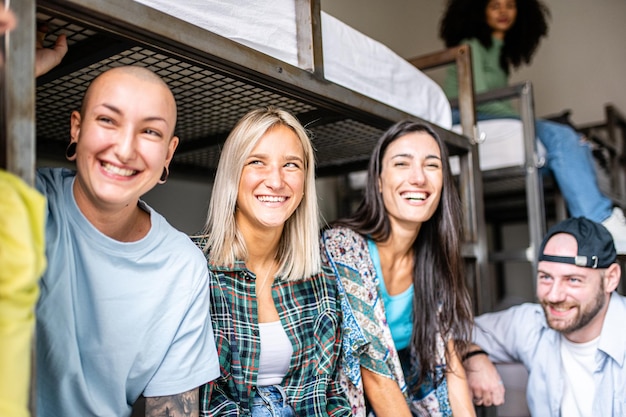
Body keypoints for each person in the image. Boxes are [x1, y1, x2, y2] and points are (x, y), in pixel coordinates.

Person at [35, 65, 220, 416]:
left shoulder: (183, 268)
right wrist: (11, 65)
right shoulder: (23, 199)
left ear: (168, 153)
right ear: (77, 127)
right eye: (107, 120)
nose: (124, 149)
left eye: (150, 131)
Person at [193, 107, 350, 416]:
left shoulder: (321, 278)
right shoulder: (192, 267)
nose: (276, 181)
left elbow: (331, 395)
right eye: (257, 162)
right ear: (232, 173)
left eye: (291, 165)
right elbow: (197, 400)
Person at [440, 0, 626, 254]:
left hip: (487, 113)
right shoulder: (471, 45)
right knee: (560, 135)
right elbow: (478, 96)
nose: (504, 11)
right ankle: (602, 223)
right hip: (467, 114)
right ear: (478, 10)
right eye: (495, 5)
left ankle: (584, 227)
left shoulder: (499, 54)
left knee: (567, 145)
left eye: (510, 5)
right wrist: (528, 120)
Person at [322, 120, 475, 417]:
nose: (418, 178)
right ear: (378, 181)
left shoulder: (433, 259)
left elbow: (450, 364)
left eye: (432, 166)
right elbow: (374, 374)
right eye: (402, 164)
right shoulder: (343, 246)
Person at [464, 217, 625, 416]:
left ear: (611, 279)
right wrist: (471, 355)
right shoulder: (532, 322)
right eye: (546, 277)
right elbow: (442, 333)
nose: (554, 295)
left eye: (573, 280)